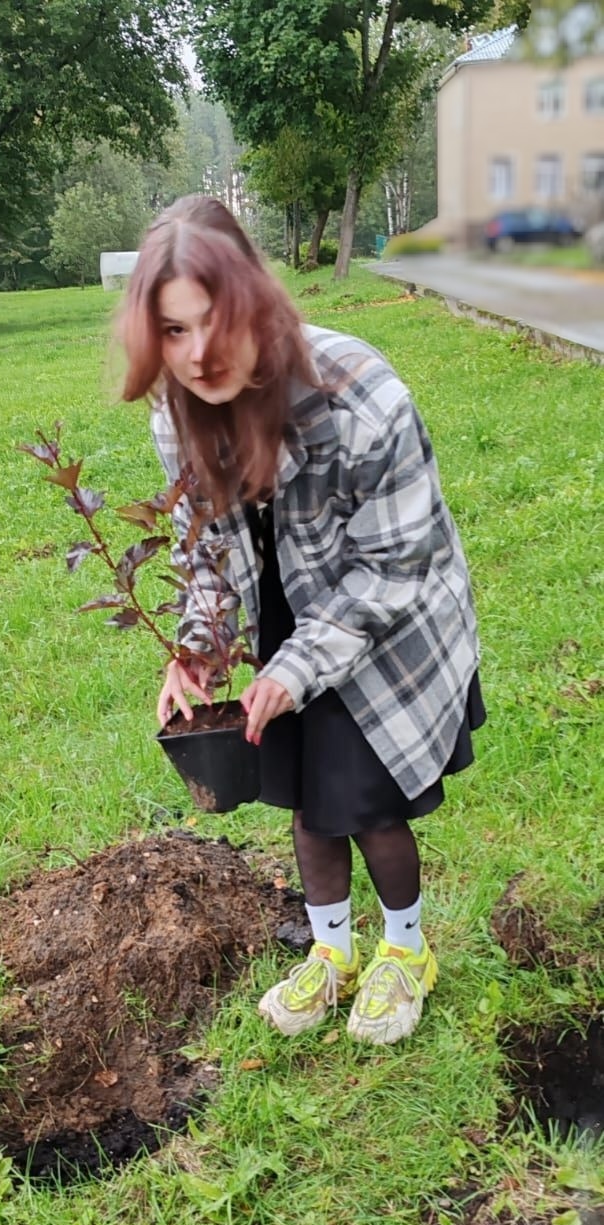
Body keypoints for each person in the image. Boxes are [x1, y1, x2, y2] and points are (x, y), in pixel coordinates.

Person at [118, 196, 485, 1046]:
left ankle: (406, 951)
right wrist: (200, 646)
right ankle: (332, 953)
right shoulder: (178, 411)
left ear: (256, 299)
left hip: (384, 626)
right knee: (307, 802)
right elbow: (205, 548)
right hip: (286, 620)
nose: (198, 353)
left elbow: (393, 569)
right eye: (173, 331)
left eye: (213, 322)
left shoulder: (362, 396)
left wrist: (298, 666)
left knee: (368, 802)